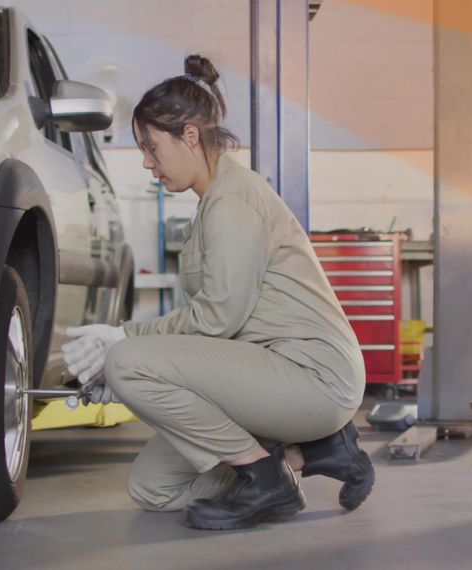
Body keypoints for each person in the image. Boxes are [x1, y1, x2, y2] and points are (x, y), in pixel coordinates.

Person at [61, 55, 375, 530]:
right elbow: (214, 333)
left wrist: (121, 340)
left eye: (150, 146)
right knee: (153, 487)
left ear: (189, 135)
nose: (146, 162)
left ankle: (264, 479)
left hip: (312, 376)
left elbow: (217, 318)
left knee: (127, 359)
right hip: (268, 372)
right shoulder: (212, 203)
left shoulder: (232, 201)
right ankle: (304, 455)